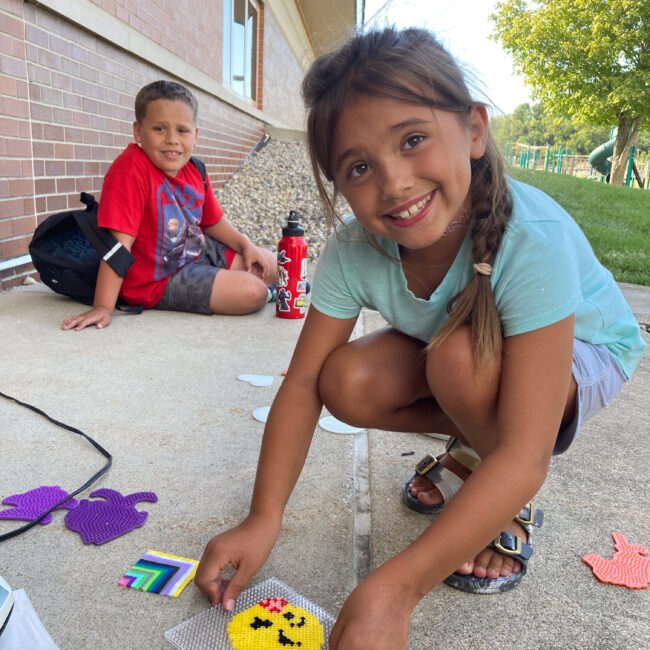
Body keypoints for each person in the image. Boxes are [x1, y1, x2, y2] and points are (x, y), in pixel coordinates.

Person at [194, 27, 646, 649]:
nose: (396, 182)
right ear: (338, 184)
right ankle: (470, 448)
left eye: (413, 139)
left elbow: (527, 453)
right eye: (359, 167)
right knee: (344, 379)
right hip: (462, 352)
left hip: (586, 355)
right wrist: (262, 519)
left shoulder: (531, 239)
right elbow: (302, 385)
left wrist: (397, 588)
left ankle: (499, 496)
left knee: (461, 366)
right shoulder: (355, 247)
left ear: (475, 131)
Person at [62, 80, 276, 331]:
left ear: (195, 136)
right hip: (158, 278)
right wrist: (102, 307)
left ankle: (257, 283)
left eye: (182, 131)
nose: (172, 140)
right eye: (160, 129)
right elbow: (118, 247)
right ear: (138, 131)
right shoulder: (131, 170)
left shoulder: (195, 168)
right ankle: (269, 294)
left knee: (270, 264)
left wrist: (246, 246)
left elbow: (212, 222)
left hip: (195, 253)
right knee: (253, 293)